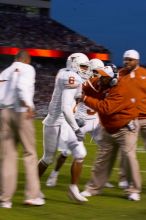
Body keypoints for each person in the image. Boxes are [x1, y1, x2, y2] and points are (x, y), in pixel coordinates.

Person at [45, 58, 114, 189]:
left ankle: (101, 178)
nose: (97, 74)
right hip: (81, 120)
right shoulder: (81, 82)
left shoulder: (102, 83)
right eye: (95, 71)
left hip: (96, 120)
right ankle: (54, 174)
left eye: (99, 72)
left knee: (107, 148)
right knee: (66, 152)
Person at [79, 65, 141, 201]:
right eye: (100, 75)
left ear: (112, 79)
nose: (100, 78)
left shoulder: (121, 89)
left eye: (104, 77)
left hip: (126, 128)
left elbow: (105, 108)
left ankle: (133, 190)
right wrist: (77, 89)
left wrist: (84, 99)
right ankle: (93, 188)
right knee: (102, 159)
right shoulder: (100, 82)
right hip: (108, 128)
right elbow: (85, 86)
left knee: (129, 158)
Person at [38, 53, 90, 202]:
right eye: (83, 66)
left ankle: (73, 189)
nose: (85, 70)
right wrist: (76, 129)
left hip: (65, 123)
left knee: (80, 153)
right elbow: (66, 108)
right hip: (54, 123)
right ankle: (33, 188)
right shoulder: (70, 77)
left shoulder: (65, 73)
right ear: (74, 65)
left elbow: (72, 105)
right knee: (48, 158)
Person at [0, 50, 45, 208]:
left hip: (4, 113)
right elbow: (21, 86)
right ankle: (32, 196)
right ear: (28, 59)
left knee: (8, 156)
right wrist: (28, 104)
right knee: (29, 153)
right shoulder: (27, 68)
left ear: (15, 58)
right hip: (20, 111)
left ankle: (5, 199)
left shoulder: (4, 71)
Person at [118, 49, 146, 189]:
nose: (126, 62)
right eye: (125, 59)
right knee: (127, 150)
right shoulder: (120, 74)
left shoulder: (144, 74)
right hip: (130, 119)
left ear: (137, 61)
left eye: (129, 59)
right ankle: (124, 178)